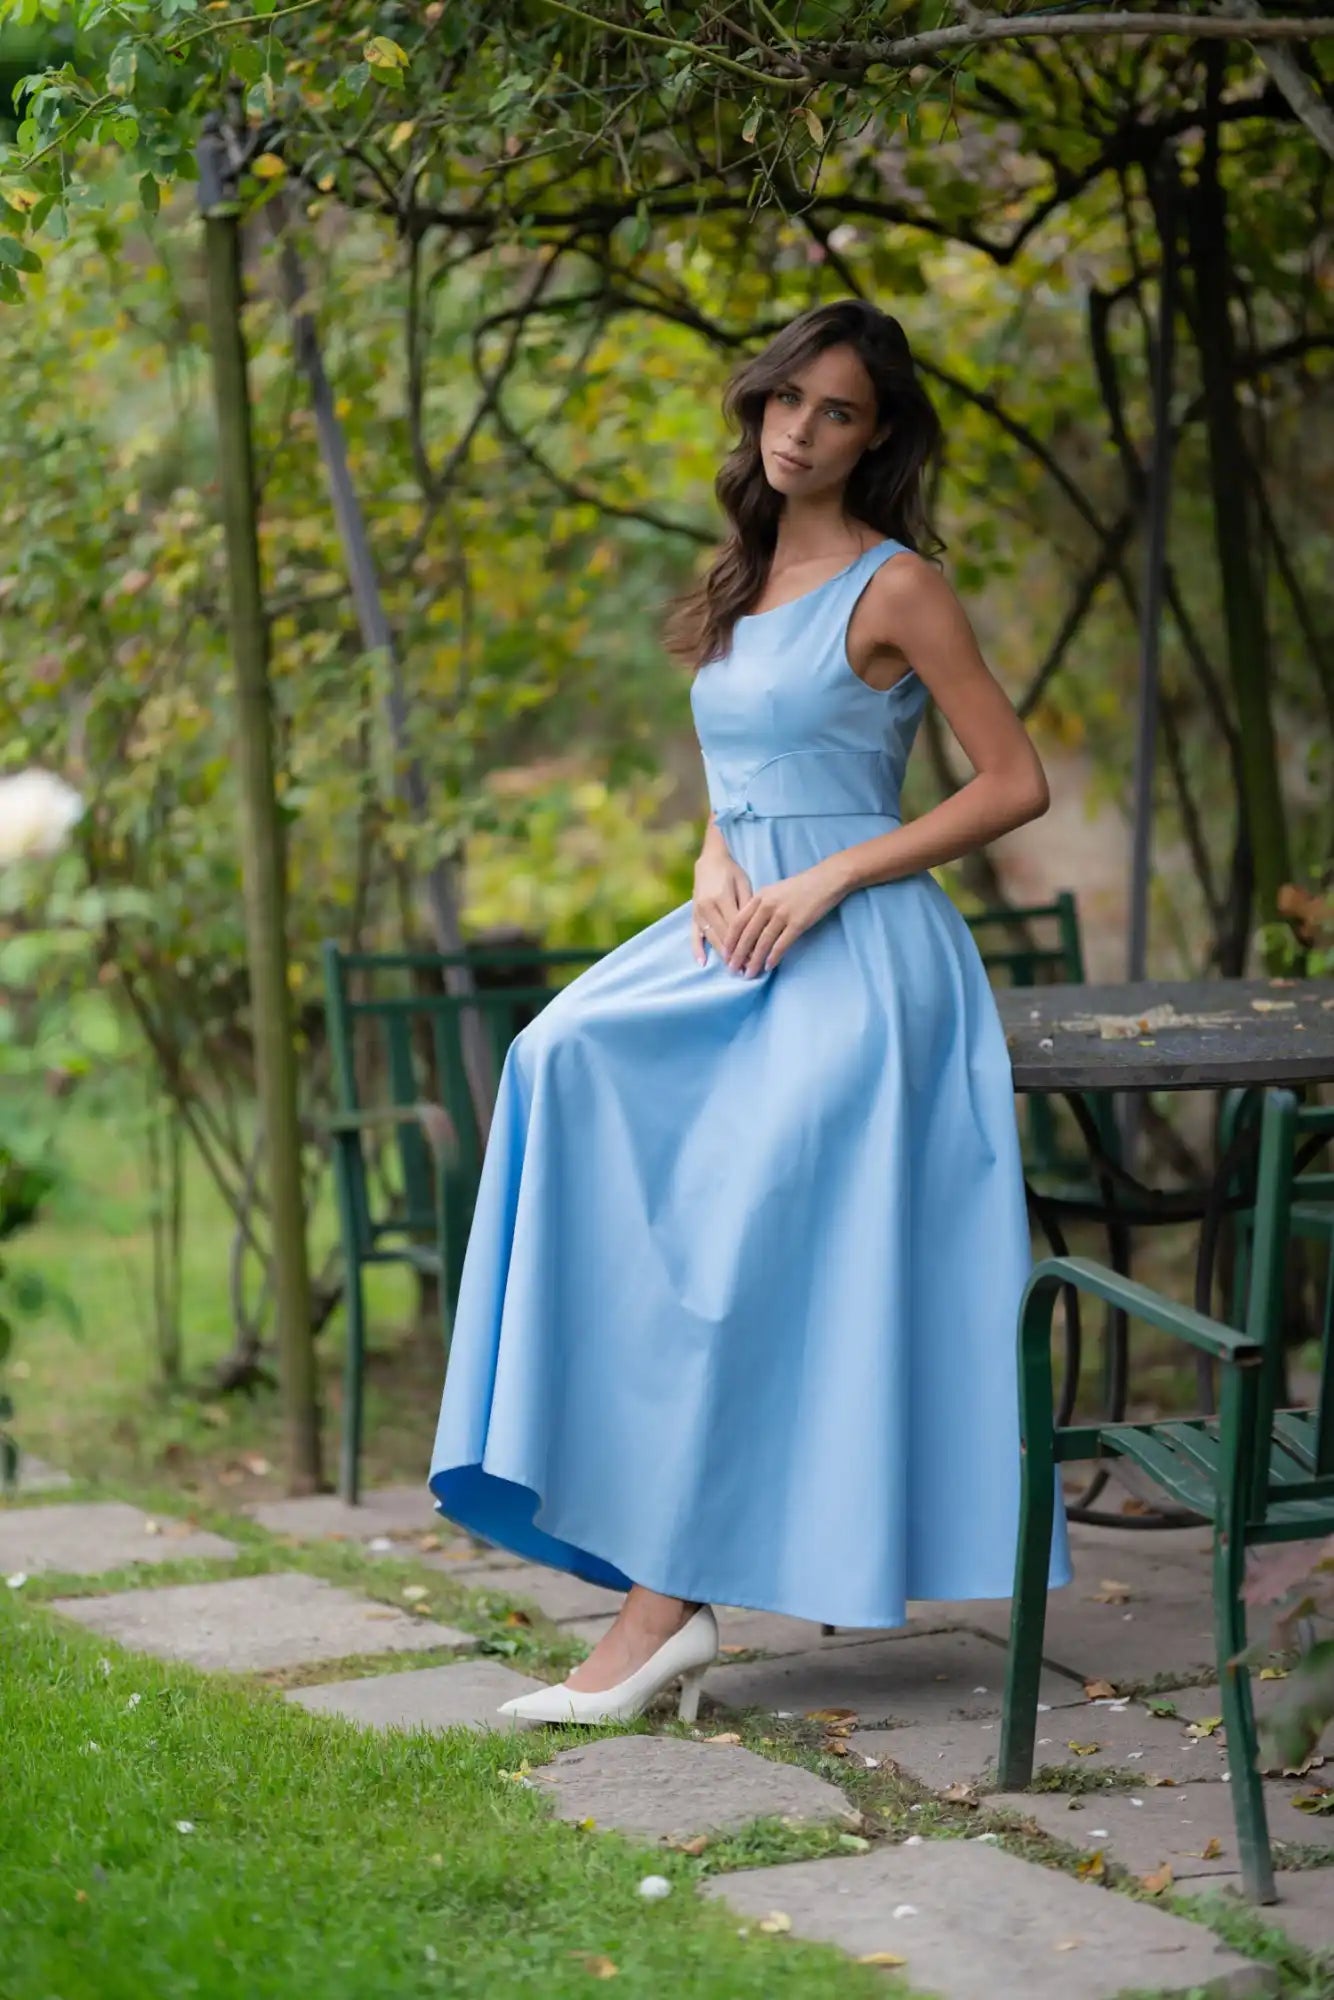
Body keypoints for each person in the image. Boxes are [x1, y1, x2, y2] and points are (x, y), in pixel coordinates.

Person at [428, 297, 1073, 1727]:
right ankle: (616, 1519)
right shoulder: (742, 572)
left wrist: (834, 871)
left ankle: (661, 1609)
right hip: (740, 930)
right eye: (786, 399)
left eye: (834, 411)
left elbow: (1010, 782)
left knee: (744, 1234)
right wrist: (714, 857)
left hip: (862, 954)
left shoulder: (896, 586)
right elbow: (733, 780)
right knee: (554, 1057)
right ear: (757, 407)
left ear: (876, 434)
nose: (800, 428)